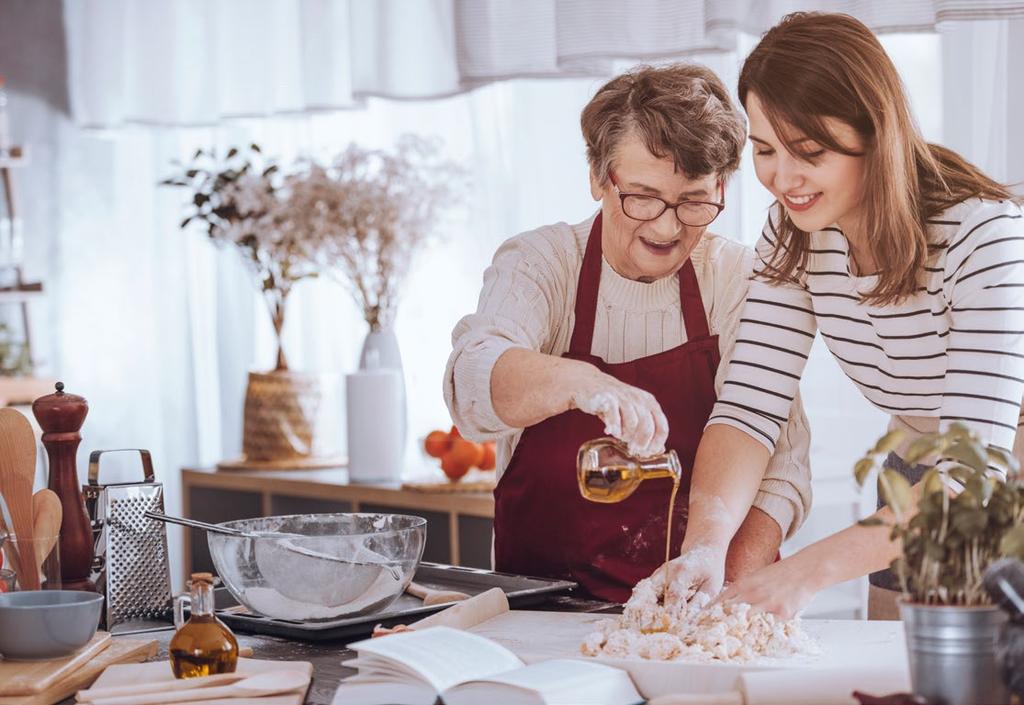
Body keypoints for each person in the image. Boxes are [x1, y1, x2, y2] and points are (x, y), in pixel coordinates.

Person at [660, 12, 1024, 619]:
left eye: (809, 151)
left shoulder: (982, 235)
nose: (783, 178)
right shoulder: (794, 232)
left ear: (876, 134)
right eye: (766, 149)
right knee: (889, 673)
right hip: (921, 472)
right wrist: (706, 544)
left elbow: (973, 470)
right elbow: (751, 405)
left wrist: (803, 573)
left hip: (993, 477)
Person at [443, 64, 811, 603]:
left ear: (722, 187)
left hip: (704, 615)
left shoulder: (739, 278)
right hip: (545, 618)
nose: (666, 228)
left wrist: (717, 597)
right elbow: (471, 386)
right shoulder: (542, 263)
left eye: (693, 201)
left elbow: (781, 468)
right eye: (641, 196)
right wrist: (580, 382)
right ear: (598, 176)